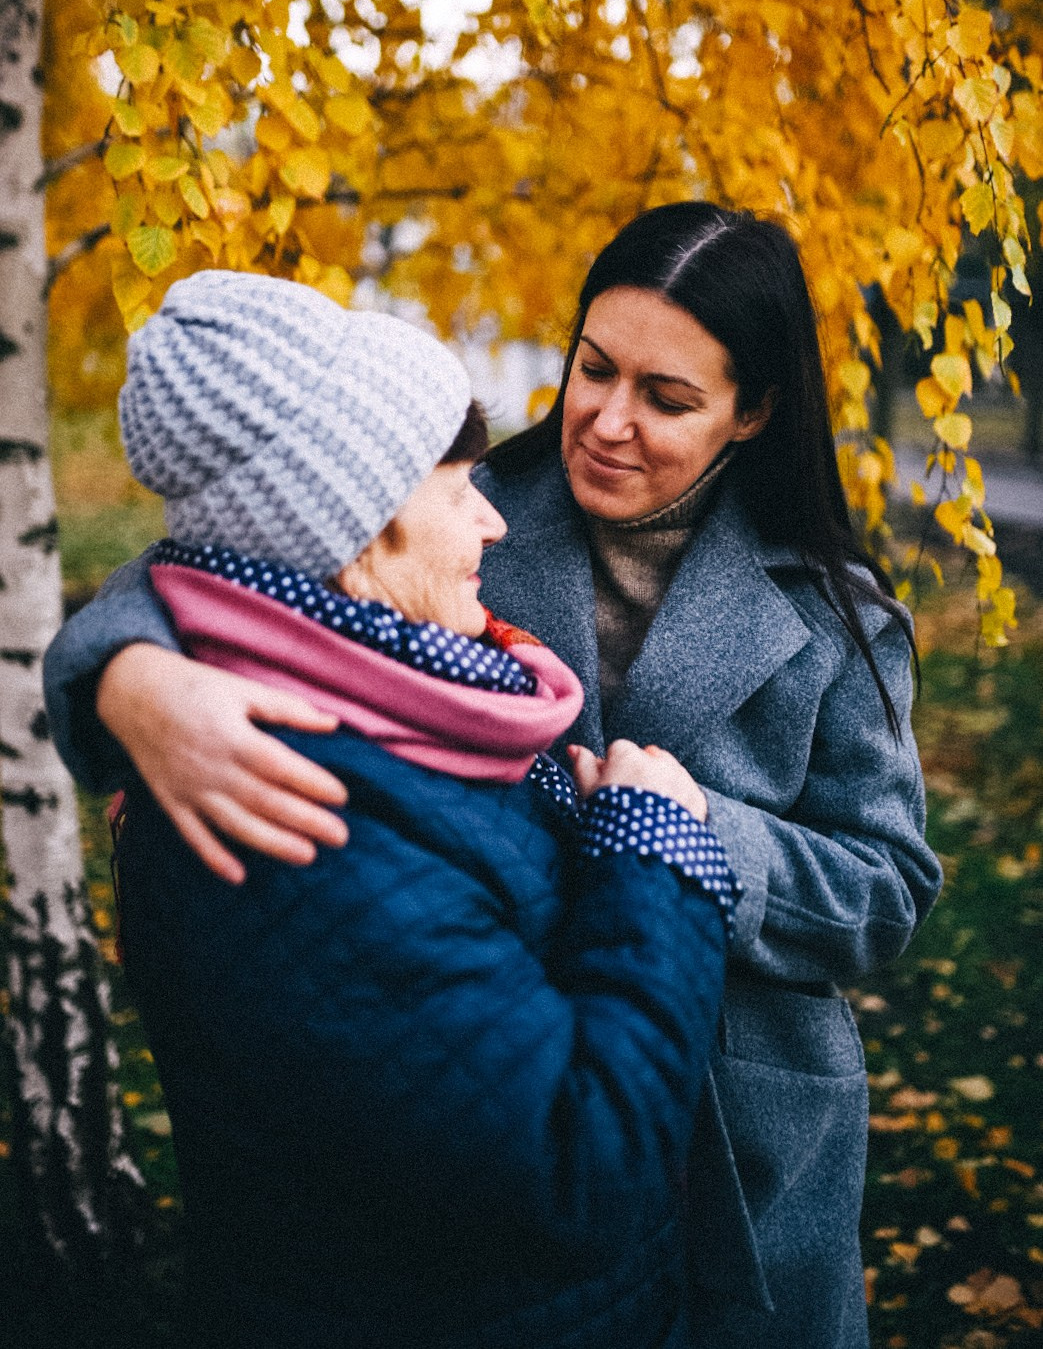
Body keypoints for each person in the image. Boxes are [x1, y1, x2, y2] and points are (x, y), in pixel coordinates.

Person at [45, 205, 942, 1348]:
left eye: (666, 399)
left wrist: (688, 829)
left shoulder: (839, 619)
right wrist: (125, 672)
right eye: (591, 368)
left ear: (752, 412)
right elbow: (225, 557)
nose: (607, 422)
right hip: (502, 1089)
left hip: (746, 1132)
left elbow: (888, 885)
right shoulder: (461, 510)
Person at [77, 269, 737, 1349]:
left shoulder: (388, 694)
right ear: (358, 529)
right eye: (457, 486)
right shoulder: (298, 814)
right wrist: (652, 856)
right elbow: (578, 1168)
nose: (492, 519)